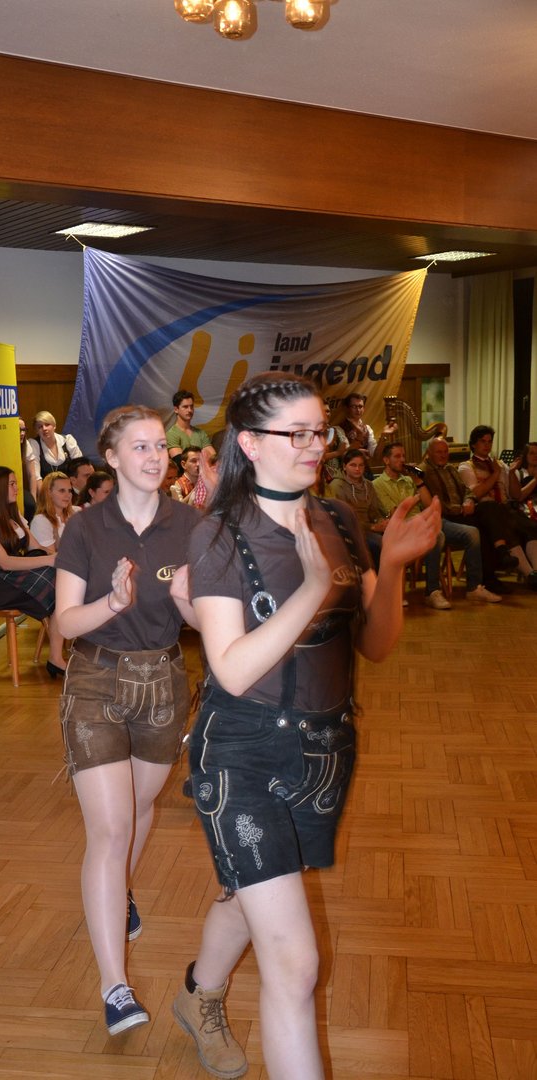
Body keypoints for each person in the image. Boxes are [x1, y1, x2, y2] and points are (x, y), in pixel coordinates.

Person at [174, 372, 440, 1080]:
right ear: (249, 444)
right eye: (297, 433)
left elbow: (374, 645)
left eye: (319, 430)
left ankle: (198, 994)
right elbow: (231, 669)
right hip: (242, 752)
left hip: (325, 752)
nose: (315, 445)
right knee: (294, 964)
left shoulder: (340, 520)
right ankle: (207, 1000)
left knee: (253, 891)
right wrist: (315, 586)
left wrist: (391, 565)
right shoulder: (218, 535)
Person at [55, 404, 199, 1037]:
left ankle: (121, 890)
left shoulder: (190, 525)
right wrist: (111, 602)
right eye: (140, 447)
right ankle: (115, 986)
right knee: (111, 831)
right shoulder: (85, 528)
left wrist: (192, 604)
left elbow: (200, 618)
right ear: (111, 458)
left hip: (164, 682)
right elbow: (66, 621)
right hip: (96, 681)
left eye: (161, 446)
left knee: (139, 810)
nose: (155, 456)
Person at [0, 466, 65, 677]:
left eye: (15, 484)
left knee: (63, 577)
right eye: (11, 484)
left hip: (11, 576)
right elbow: (4, 563)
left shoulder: (13, 515)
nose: (16, 488)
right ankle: (57, 657)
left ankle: (56, 656)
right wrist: (50, 560)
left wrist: (63, 557)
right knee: (55, 581)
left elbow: (36, 547)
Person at [421, 436, 513, 597]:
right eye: (438, 452)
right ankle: (487, 578)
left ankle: (499, 555)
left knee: (491, 508)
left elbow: (467, 491)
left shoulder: (450, 469)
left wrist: (469, 501)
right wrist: (460, 508)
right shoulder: (424, 471)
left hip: (462, 511)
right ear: (429, 453)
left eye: (445, 452)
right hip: (446, 516)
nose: (443, 455)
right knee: (481, 528)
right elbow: (436, 503)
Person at [373, 442, 450, 609]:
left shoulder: (408, 480)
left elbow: (428, 506)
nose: (402, 460)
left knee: (438, 533)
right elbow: (395, 513)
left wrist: (419, 482)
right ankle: (432, 590)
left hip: (420, 523)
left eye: (403, 456)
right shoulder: (378, 484)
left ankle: (432, 592)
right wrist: (414, 500)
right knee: (436, 536)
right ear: (386, 460)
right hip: (401, 528)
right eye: (397, 456)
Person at [458, 425, 537, 584]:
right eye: (483, 441)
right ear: (473, 444)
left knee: (531, 528)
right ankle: (530, 575)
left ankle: (535, 571)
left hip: (506, 508)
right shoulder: (466, 466)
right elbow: (476, 494)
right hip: (486, 513)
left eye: (490, 441)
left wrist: (512, 473)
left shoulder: (501, 465)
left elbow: (516, 495)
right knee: (508, 528)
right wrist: (495, 475)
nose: (487, 445)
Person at [328, 448, 388, 569]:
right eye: (353, 465)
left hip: (370, 529)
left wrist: (380, 522)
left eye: (361, 465)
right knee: (377, 544)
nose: (357, 469)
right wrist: (371, 527)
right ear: (344, 467)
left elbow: (374, 511)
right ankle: (375, 579)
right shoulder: (337, 485)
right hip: (348, 531)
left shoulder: (368, 485)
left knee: (392, 540)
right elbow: (343, 519)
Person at [339, 392, 397, 473]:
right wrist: (357, 453)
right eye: (354, 406)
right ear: (347, 408)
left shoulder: (367, 428)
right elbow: (342, 455)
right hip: (348, 472)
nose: (358, 410)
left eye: (360, 406)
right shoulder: (340, 429)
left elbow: (376, 456)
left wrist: (384, 435)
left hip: (365, 471)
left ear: (364, 408)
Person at [29, 471, 77, 554]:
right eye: (62, 491)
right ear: (49, 493)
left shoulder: (76, 512)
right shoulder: (41, 521)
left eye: (69, 491)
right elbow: (50, 558)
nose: (68, 495)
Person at [28, 410, 83, 479]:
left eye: (47, 425)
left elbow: (81, 468)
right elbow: (36, 477)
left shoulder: (68, 440)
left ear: (54, 426)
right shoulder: (34, 444)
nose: (44, 428)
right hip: (46, 485)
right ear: (36, 431)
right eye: (40, 427)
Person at [165, 389, 211, 464]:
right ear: (176, 409)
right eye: (185, 407)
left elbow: (213, 458)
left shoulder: (201, 433)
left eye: (191, 406)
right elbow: (181, 463)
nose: (190, 410)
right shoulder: (171, 434)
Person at [19, 417, 39, 519]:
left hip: (17, 488)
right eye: (19, 430)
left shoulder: (26, 444)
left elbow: (32, 475)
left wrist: (33, 498)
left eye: (24, 430)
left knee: (30, 505)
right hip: (0, 490)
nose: (22, 433)